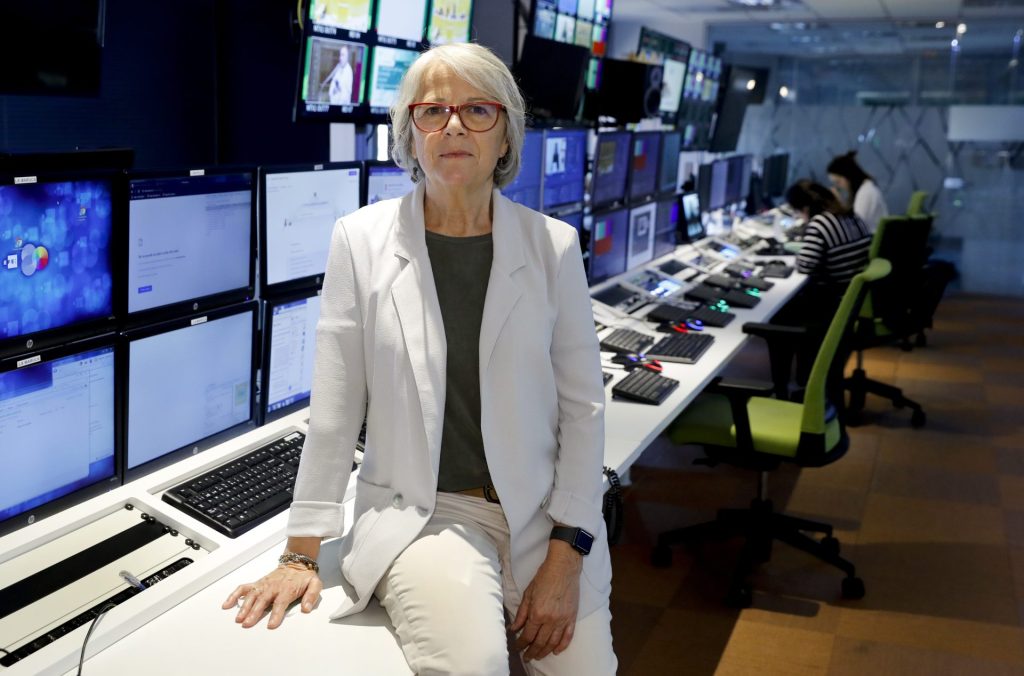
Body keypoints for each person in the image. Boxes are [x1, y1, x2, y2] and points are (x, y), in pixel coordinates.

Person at [224, 42, 617, 676]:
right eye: (432, 111)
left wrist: (567, 555)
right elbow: (335, 404)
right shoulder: (361, 240)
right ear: (409, 134)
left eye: (477, 110)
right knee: (475, 666)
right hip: (429, 510)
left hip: (543, 511)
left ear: (506, 134)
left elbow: (584, 408)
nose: (454, 125)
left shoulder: (553, 246)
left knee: (588, 671)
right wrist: (300, 552)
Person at [775, 179, 872, 383]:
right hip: (849, 300)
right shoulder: (851, 216)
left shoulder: (820, 223)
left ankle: (783, 383)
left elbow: (805, 266)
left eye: (798, 211)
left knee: (778, 314)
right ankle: (798, 379)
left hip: (829, 303)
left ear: (806, 207)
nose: (800, 218)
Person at [827, 151, 889, 233]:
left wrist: (837, 202)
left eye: (838, 182)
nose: (838, 186)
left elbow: (855, 228)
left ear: (848, 176)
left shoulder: (865, 193)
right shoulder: (865, 190)